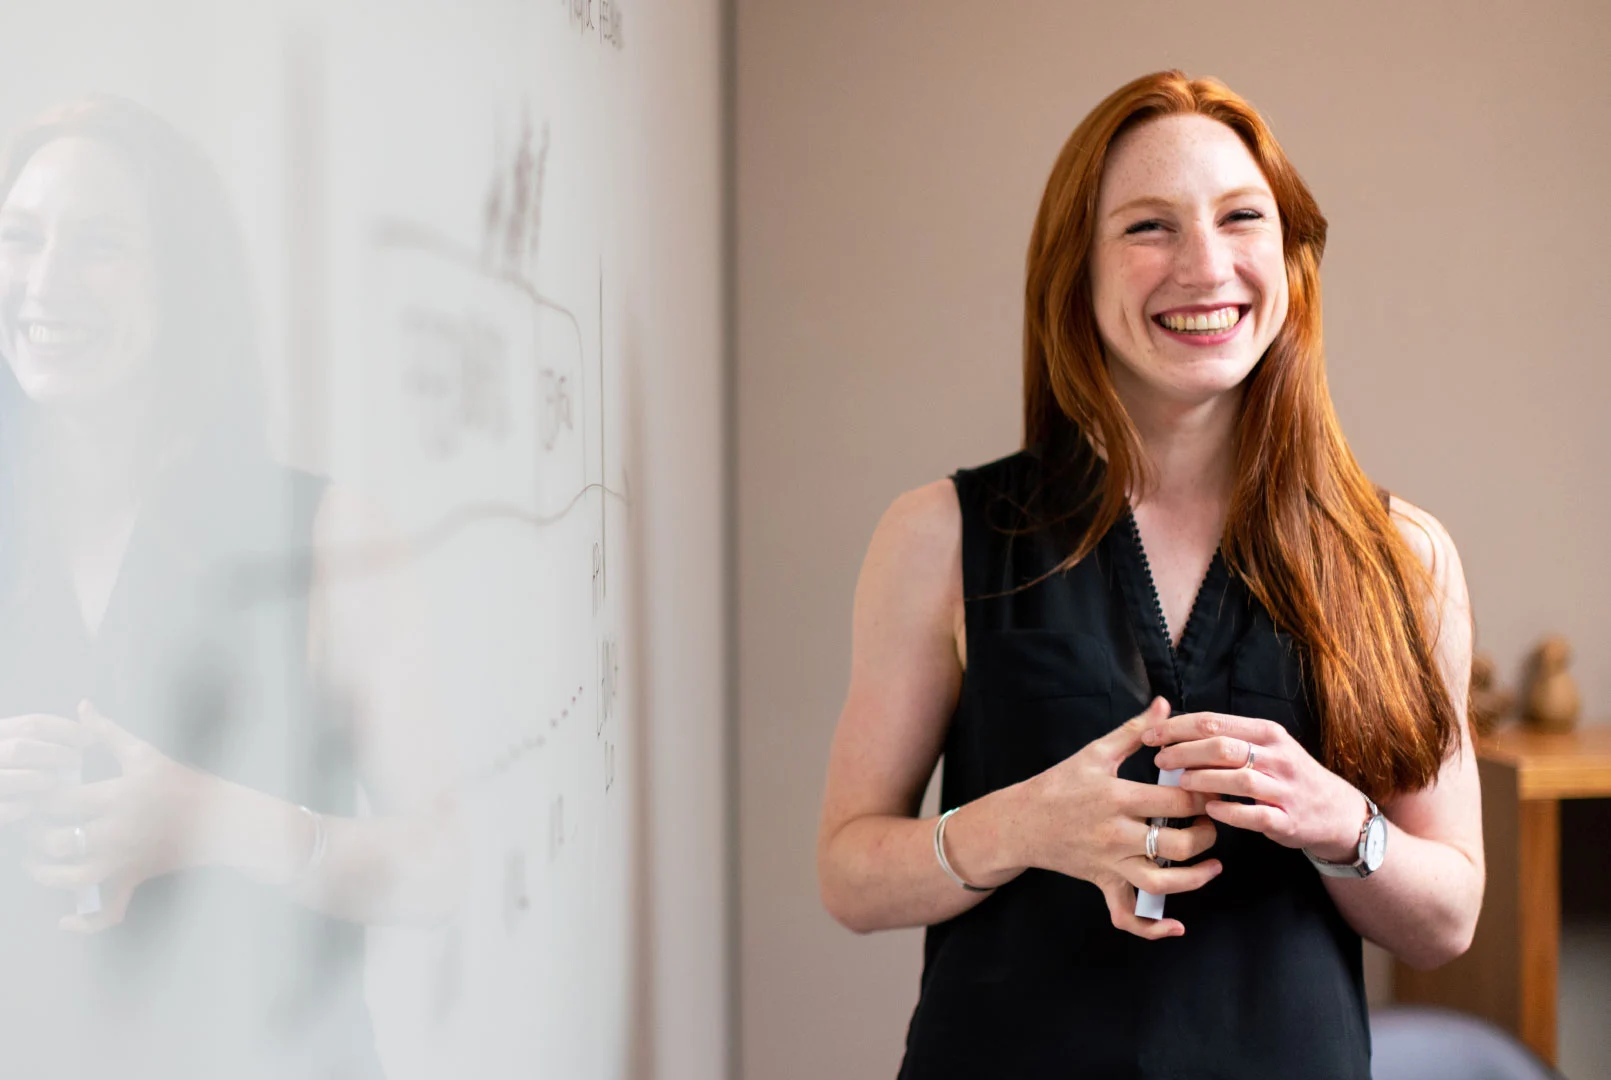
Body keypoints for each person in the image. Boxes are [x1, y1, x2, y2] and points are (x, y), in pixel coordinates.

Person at [816, 70, 1482, 1079]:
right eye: (1148, 228)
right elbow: (849, 875)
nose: (1205, 265)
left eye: (1240, 218)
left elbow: (1449, 919)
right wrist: (1020, 827)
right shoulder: (939, 536)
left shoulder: (1403, 557)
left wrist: (1341, 823)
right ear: (1073, 272)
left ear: (1292, 259)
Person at [0, 96, 466, 1077]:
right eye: (20, 237)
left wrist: (210, 821)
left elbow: (443, 867)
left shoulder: (330, 537)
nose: (43, 282)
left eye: (100, 245)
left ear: (184, 280)